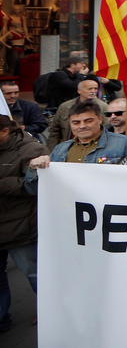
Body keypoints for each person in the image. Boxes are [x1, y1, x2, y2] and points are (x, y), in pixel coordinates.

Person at [25, 101, 127, 192]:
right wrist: (33, 168)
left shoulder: (125, 143)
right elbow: (35, 189)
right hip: (70, 210)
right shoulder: (60, 149)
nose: (82, 126)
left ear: (100, 119)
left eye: (88, 121)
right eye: (76, 122)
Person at [0, 114, 42, 333]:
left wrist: (4, 185)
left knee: (35, 273)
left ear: (5, 132)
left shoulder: (30, 149)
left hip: (20, 227)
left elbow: (37, 185)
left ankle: (51, 313)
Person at [45, 78, 104, 145]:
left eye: (95, 88)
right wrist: (52, 151)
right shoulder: (65, 106)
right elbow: (55, 130)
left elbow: (107, 130)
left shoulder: (103, 107)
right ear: (79, 91)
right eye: (90, 89)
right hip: (68, 146)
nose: (93, 91)